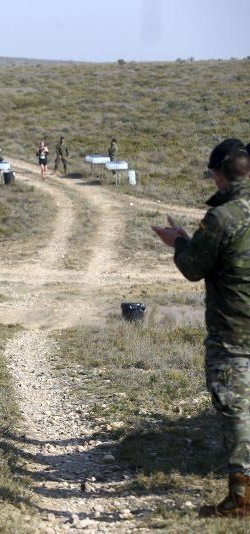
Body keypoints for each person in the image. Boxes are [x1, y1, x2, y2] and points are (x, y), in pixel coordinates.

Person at [152, 139, 250, 518]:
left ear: (218, 175)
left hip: (234, 334)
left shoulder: (222, 218)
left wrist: (178, 242)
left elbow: (194, 268)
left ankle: (241, 498)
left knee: (237, 412)